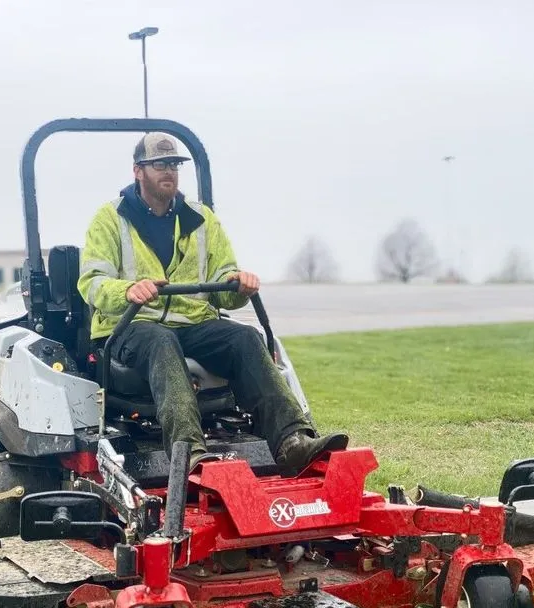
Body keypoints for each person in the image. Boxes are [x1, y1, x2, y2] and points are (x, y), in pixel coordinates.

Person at [77, 132, 347, 475]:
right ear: (138, 171)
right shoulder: (110, 220)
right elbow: (92, 282)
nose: (169, 172)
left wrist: (239, 285)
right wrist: (128, 290)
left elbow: (223, 288)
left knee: (245, 338)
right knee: (162, 340)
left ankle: (292, 441)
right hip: (131, 326)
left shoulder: (202, 219)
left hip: (194, 324)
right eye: (159, 164)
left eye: (174, 164)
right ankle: (187, 451)